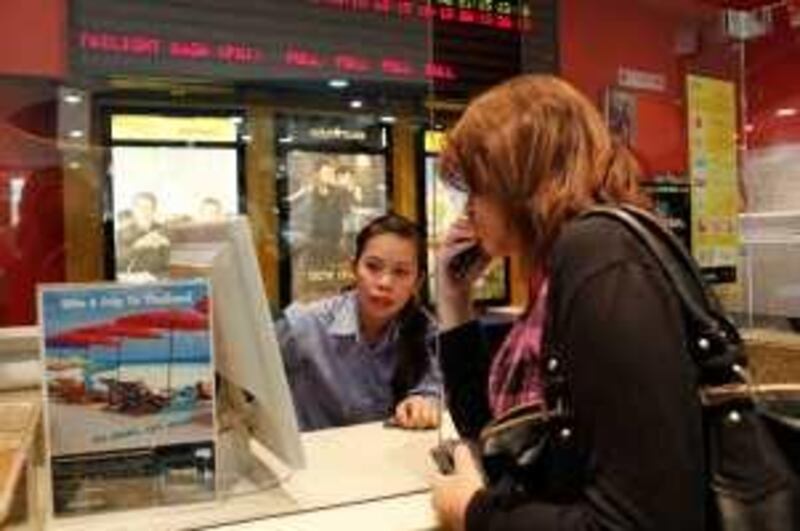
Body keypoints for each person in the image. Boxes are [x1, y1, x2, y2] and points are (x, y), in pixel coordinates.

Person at [431, 75, 706, 530]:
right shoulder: (561, 270)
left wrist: (474, 513)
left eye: (477, 189)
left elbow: (642, 521)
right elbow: (495, 440)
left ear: (517, 179)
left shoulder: (599, 254)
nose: (469, 210)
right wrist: (454, 299)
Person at [277, 212, 441, 431]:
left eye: (401, 272)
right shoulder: (307, 324)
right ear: (354, 268)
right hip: (319, 460)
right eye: (373, 267)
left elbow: (434, 390)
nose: (384, 282)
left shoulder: (427, 330)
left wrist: (424, 403)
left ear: (417, 282)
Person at [116, 191, 170, 279]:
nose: (143, 212)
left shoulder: (164, 232)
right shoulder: (121, 234)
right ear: (133, 210)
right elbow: (118, 264)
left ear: (154, 210)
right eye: (139, 207)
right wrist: (137, 246)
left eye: (147, 208)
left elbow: (170, 266)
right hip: (132, 285)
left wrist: (167, 245)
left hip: (158, 284)